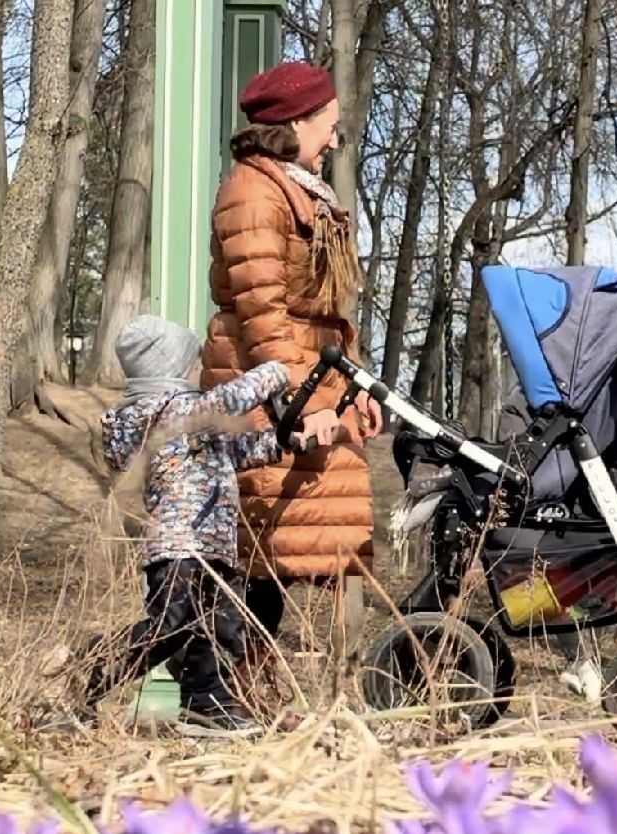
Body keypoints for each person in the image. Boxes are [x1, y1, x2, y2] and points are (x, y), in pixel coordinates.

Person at [201, 60, 381, 683]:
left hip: (311, 376)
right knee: (258, 547)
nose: (334, 139)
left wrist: (355, 389)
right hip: (264, 389)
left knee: (297, 545)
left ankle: (265, 689)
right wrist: (304, 402)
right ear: (295, 122)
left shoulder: (299, 190)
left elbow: (324, 312)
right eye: (327, 125)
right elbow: (263, 314)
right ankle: (223, 692)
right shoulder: (252, 194)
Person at [84, 314, 299, 734]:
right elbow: (225, 402)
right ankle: (92, 671)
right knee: (172, 625)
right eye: (185, 363)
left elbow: (235, 452)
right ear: (162, 367)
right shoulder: (164, 412)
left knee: (220, 628)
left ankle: (207, 708)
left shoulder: (187, 418)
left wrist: (283, 442)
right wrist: (275, 371)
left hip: (213, 544)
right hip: (178, 547)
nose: (192, 371)